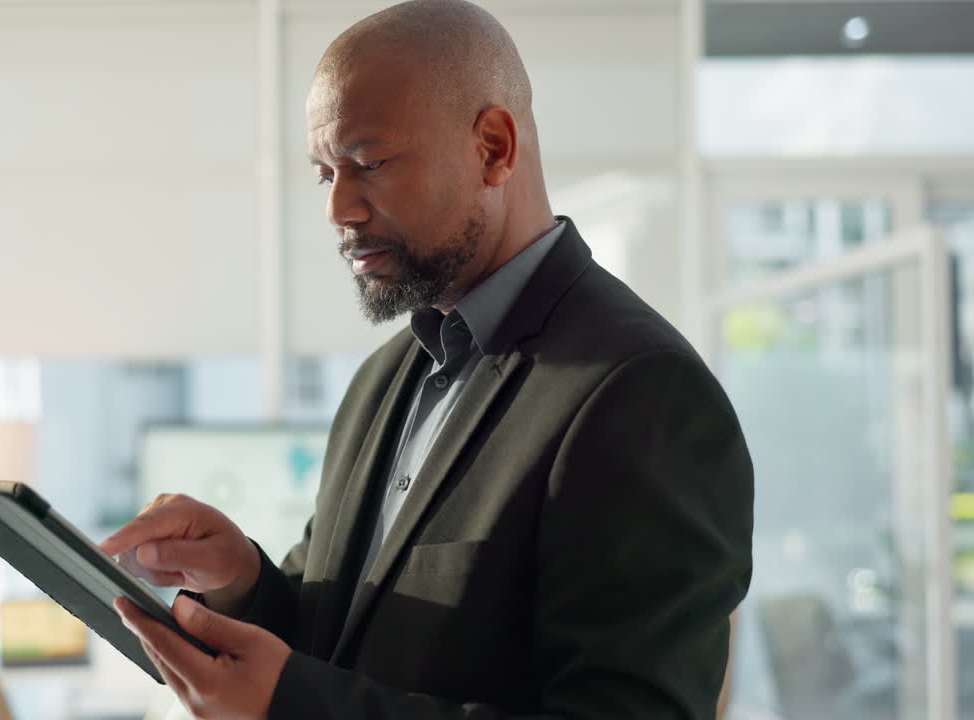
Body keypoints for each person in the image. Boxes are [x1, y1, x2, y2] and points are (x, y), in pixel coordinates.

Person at [103, 1, 754, 718]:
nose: (339, 210)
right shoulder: (384, 379)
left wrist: (296, 705)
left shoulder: (644, 394)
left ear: (494, 148)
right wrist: (243, 580)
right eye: (326, 174)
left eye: (369, 163)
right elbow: (342, 637)